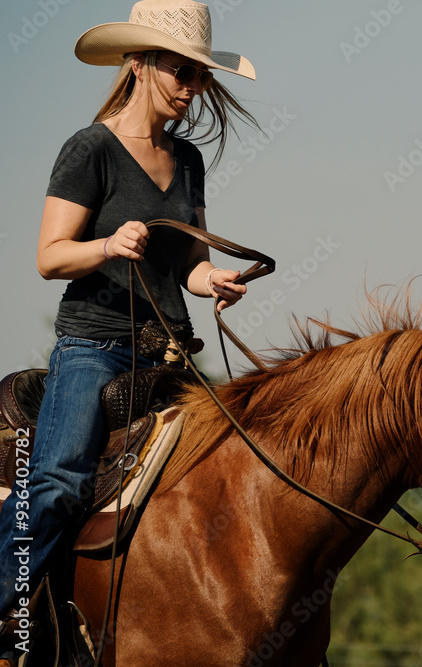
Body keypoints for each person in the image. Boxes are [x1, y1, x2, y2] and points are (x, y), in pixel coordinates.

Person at [0, 1, 258, 659]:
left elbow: (190, 267)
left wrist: (216, 281)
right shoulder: (90, 149)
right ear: (139, 63)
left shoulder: (189, 160)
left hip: (171, 355)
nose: (191, 87)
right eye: (181, 71)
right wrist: (108, 244)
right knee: (57, 484)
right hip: (94, 347)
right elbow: (49, 256)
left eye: (198, 75)